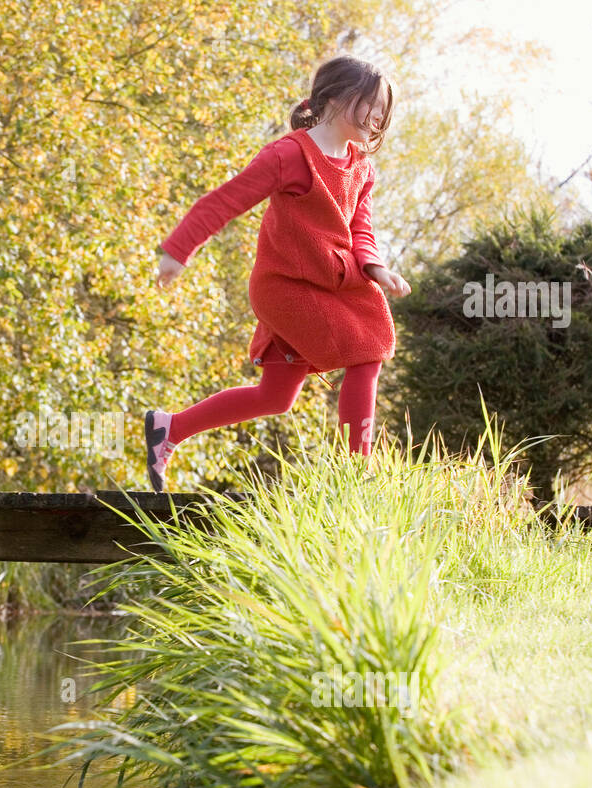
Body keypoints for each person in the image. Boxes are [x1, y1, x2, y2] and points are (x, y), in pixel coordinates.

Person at [145, 54, 411, 491]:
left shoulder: (361, 169)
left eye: (384, 109)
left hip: (333, 283)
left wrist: (377, 268)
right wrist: (178, 249)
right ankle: (356, 478)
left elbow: (360, 227)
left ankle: (168, 429)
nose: (379, 115)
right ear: (335, 98)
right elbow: (227, 199)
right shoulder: (291, 154)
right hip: (287, 287)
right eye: (371, 103)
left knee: (275, 397)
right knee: (368, 346)